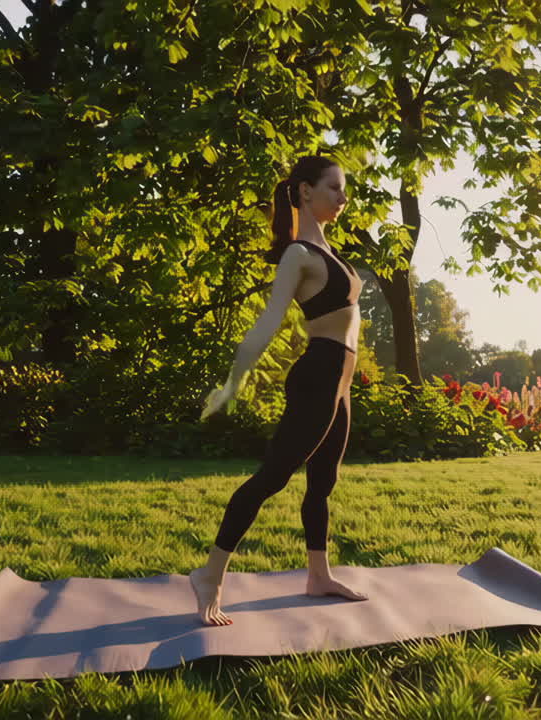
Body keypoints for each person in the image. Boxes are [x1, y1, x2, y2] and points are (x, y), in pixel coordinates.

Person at [190, 156, 370, 626]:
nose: (342, 197)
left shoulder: (332, 253)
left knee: (323, 480)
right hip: (319, 372)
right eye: (334, 188)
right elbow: (269, 321)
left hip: (342, 378)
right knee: (272, 477)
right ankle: (209, 575)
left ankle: (318, 575)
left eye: (344, 189)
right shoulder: (299, 255)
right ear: (306, 191)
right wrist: (233, 382)